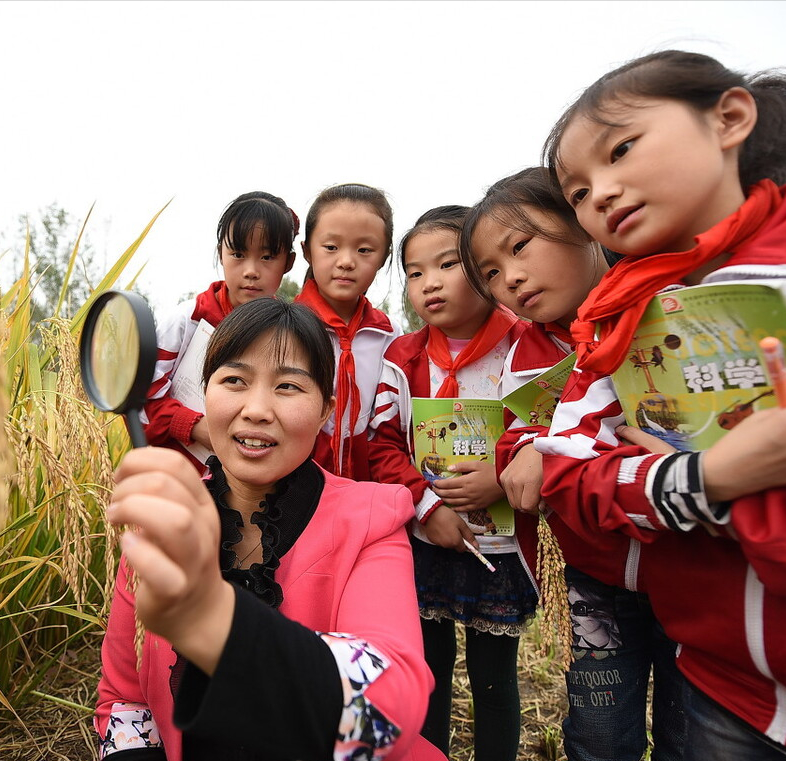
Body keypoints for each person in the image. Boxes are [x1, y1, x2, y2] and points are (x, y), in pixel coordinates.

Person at [536, 50, 786, 761]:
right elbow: (566, 476)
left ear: (729, 119)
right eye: (579, 193)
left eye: (621, 150)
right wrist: (706, 480)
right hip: (717, 689)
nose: (602, 195)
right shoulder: (617, 318)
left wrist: (713, 502)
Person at [95, 297, 445, 761]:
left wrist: (215, 617)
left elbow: (391, 704)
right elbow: (124, 698)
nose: (256, 409)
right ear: (206, 394)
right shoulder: (162, 520)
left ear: (326, 410)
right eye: (234, 380)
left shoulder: (372, 519)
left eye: (288, 387)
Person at [459, 166, 686, 761]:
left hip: (690, 567)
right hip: (594, 577)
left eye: (519, 247)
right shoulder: (528, 353)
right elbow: (515, 438)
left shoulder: (664, 312)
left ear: (583, 224)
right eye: (490, 273)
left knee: (689, 730)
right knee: (599, 731)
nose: (510, 278)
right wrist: (527, 449)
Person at [368, 205, 535, 760]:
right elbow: (383, 442)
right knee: (429, 671)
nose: (428, 283)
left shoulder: (527, 348)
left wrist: (502, 478)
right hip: (428, 540)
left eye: (446, 265)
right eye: (414, 272)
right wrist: (425, 507)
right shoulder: (403, 357)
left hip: (502, 547)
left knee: (493, 679)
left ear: (484, 270)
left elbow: (546, 433)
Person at [142, 191, 299, 473]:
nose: (251, 271)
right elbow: (144, 399)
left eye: (267, 257)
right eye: (238, 254)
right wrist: (196, 427)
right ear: (220, 255)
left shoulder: (287, 335)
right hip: (176, 480)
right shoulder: (186, 320)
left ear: (288, 263)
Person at [292, 182, 401, 481]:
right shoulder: (283, 328)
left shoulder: (391, 336)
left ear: (384, 257)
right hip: (294, 481)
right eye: (331, 247)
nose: (346, 261)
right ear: (307, 251)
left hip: (369, 482)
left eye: (364, 250)